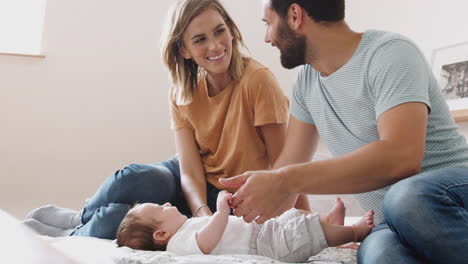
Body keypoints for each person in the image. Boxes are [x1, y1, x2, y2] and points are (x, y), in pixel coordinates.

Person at [23, 0, 302, 239]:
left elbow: (285, 169)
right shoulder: (182, 91)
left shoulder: (258, 81)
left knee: (123, 220)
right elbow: (190, 170)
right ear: (183, 50)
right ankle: (80, 217)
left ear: (230, 29)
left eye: (220, 31)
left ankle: (70, 235)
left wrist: (307, 224)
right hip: (189, 179)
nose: (216, 45)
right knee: (136, 178)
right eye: (200, 39)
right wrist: (199, 213)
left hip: (227, 196)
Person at [219, 0, 468, 263]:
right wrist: (241, 210)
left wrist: (284, 180)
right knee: (377, 253)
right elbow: (286, 173)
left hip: (450, 198)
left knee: (406, 198)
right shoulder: (306, 84)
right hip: (389, 222)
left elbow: (401, 158)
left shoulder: (389, 53)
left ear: (294, 15)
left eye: (269, 24)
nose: (267, 38)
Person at [115, 191, 375, 263]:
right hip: (266, 246)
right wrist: (221, 212)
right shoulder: (178, 244)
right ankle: (353, 232)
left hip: (264, 231)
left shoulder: (185, 226)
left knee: (296, 219)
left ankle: (332, 227)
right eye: (162, 209)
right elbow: (206, 241)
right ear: (161, 235)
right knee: (303, 234)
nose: (169, 203)